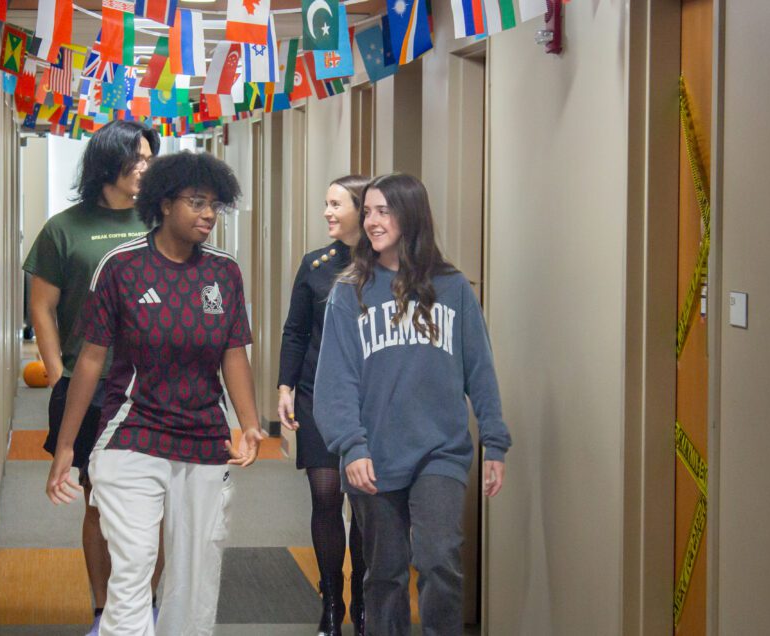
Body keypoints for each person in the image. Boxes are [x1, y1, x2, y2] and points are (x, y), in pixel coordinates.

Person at [45, 150, 266, 636]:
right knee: (135, 566)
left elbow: (234, 353)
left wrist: (249, 424)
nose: (208, 214)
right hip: (132, 435)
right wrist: (65, 446)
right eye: (197, 202)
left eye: (215, 206)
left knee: (194, 574)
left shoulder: (223, 273)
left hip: (205, 438)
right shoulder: (121, 267)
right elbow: (90, 360)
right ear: (164, 205)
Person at [313, 173, 512, 636]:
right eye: (368, 212)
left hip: (439, 451)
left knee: (439, 559)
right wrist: (352, 446)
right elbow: (334, 382)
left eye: (384, 211)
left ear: (411, 216)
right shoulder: (350, 290)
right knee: (385, 573)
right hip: (373, 454)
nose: (373, 221)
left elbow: (479, 369)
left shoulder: (453, 288)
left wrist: (495, 443)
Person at [22, 120, 161, 635]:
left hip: (152, 385)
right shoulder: (64, 228)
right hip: (90, 385)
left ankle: (145, 608)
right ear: (109, 163)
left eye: (151, 158)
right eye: (137, 159)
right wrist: (60, 375)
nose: (146, 168)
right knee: (99, 501)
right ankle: (104, 610)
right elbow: (42, 307)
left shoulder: (159, 221)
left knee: (154, 505)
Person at [277, 175, 371, 636]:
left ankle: (364, 598)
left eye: (336, 204)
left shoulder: (389, 266)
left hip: (370, 400)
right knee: (326, 495)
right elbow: (295, 331)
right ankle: (332, 602)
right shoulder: (315, 266)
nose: (328, 213)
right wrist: (284, 387)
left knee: (366, 500)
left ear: (362, 207)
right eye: (326, 204)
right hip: (317, 394)